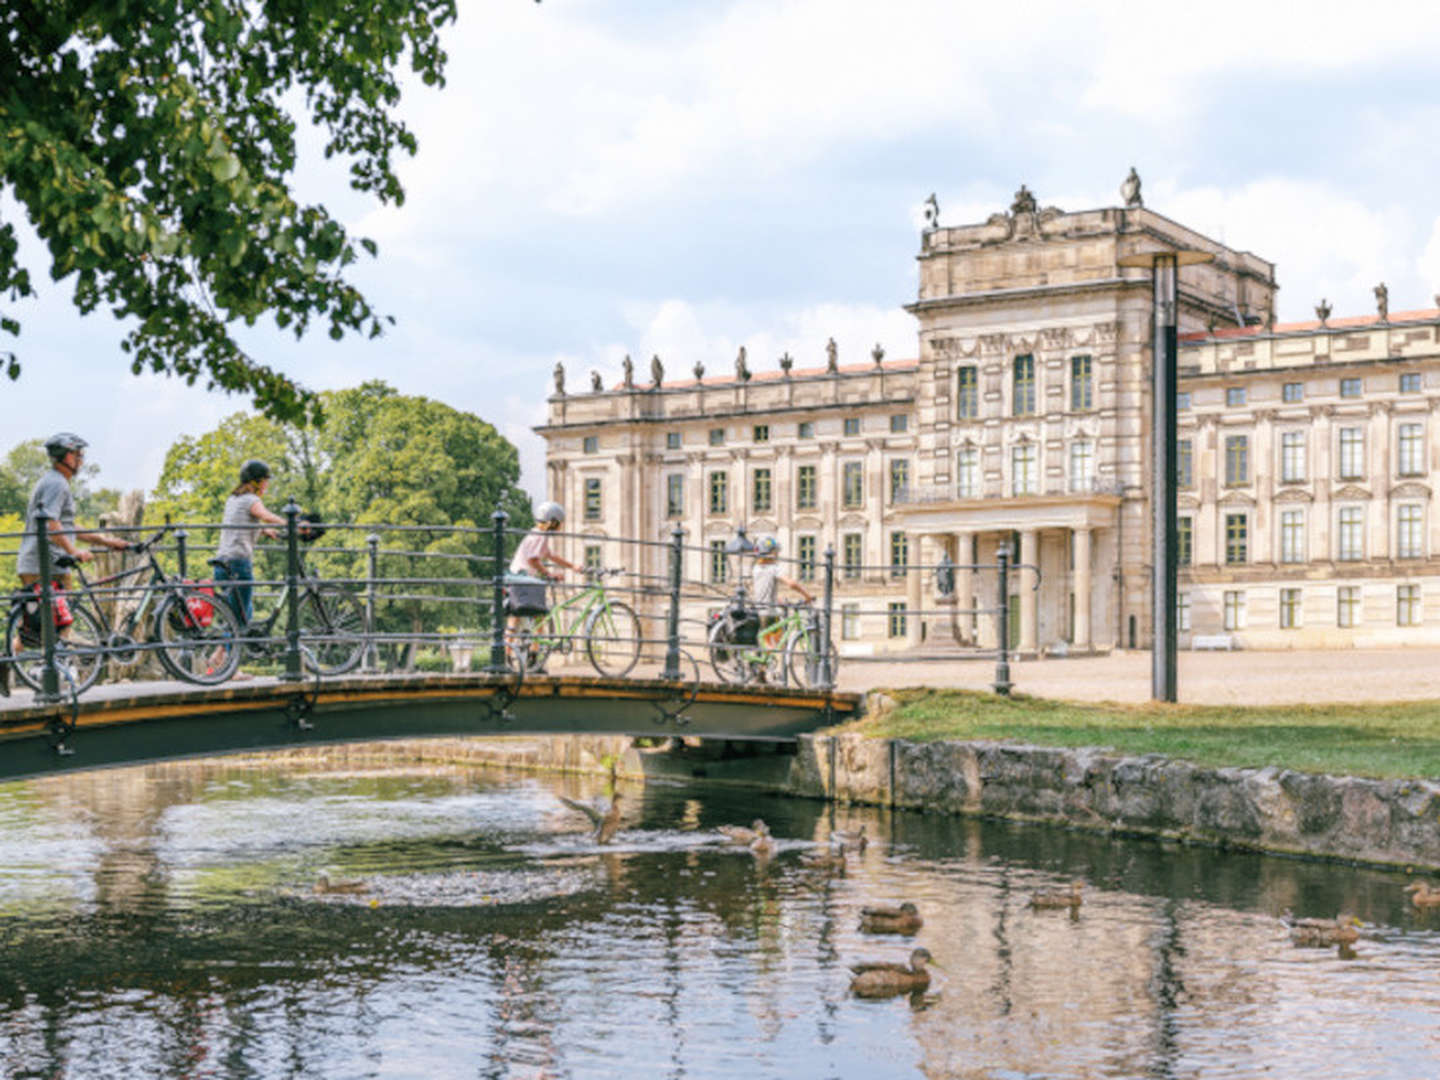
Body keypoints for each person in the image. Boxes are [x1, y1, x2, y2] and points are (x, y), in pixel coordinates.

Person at [16, 432, 129, 595]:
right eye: (79, 455)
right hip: (46, 566)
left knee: (44, 617)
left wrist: (108, 542)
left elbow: (69, 527)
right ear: (68, 456)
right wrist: (74, 552)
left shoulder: (54, 481)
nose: (81, 461)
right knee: (56, 616)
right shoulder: (56, 484)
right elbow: (52, 525)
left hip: (46, 564)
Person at [212, 460, 285, 628]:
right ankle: (232, 653)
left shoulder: (233, 499)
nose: (267, 485)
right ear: (257, 482)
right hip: (238, 564)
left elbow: (240, 521)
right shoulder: (251, 499)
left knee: (239, 613)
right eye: (265, 481)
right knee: (239, 620)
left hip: (222, 563)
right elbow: (264, 515)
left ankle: (219, 655)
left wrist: (263, 530)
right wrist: (287, 522)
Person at [506, 501, 581, 637]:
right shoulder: (540, 536)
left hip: (516, 576)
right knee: (538, 614)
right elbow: (532, 559)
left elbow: (551, 556)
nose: (560, 526)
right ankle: (533, 653)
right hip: (524, 578)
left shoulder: (538, 534)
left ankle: (510, 653)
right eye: (559, 522)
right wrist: (549, 574)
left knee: (517, 614)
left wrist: (572, 566)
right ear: (552, 522)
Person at [750, 536, 813, 651]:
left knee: (770, 641)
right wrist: (807, 595)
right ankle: (768, 663)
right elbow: (792, 584)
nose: (777, 554)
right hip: (770, 612)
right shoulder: (773, 568)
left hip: (758, 609)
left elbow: (765, 587)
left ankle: (762, 666)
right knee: (779, 643)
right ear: (770, 553)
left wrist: (777, 599)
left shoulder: (756, 568)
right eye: (775, 551)